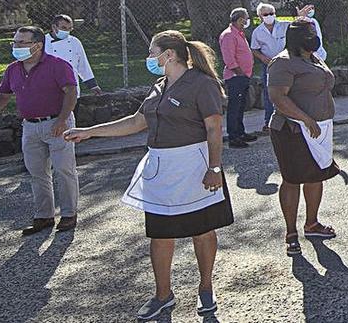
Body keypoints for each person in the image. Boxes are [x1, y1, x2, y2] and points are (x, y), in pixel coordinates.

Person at [63, 30, 231, 319]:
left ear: (169, 55)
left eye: (153, 52)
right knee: (160, 234)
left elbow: (214, 128)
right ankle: (163, 295)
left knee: (202, 231)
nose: (150, 58)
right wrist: (88, 133)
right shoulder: (159, 85)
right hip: (161, 168)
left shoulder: (201, 84)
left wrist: (214, 167)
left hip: (195, 167)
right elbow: (137, 122)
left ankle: (205, 287)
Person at [0, 26, 79, 235]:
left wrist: (62, 121)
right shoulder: (13, 69)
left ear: (38, 45)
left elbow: (71, 93)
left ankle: (69, 214)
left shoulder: (58, 66)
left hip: (57, 124)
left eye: (21, 42)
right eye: (14, 42)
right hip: (30, 127)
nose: (16, 46)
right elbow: (3, 95)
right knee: (37, 173)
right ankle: (44, 216)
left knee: (63, 170)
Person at [266, 19, 339, 256]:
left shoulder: (313, 58)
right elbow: (278, 97)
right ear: (296, 39)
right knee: (293, 178)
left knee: (316, 174)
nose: (313, 39)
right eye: (308, 35)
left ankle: (312, 223)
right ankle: (290, 233)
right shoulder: (283, 63)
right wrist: (306, 119)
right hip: (293, 130)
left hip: (320, 129)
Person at [251, 4, 317, 130]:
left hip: (288, 63)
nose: (269, 16)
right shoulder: (257, 32)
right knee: (270, 93)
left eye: (272, 13)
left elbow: (297, 27)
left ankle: (292, 118)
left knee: (291, 91)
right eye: (266, 14)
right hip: (269, 65)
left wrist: (300, 17)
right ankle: (269, 121)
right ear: (260, 16)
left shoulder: (284, 25)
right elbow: (254, 49)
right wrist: (263, 58)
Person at [218, 8, 255, 148]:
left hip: (243, 76)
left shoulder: (239, 33)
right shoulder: (228, 35)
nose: (246, 21)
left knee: (240, 107)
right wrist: (240, 73)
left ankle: (240, 132)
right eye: (245, 18)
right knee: (234, 108)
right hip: (236, 77)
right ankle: (233, 137)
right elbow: (229, 59)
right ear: (240, 19)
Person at [45, 14, 100, 95]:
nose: (66, 31)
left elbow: (83, 64)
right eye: (63, 28)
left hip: (71, 86)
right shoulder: (42, 42)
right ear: (54, 27)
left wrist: (92, 85)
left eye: (69, 29)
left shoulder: (75, 42)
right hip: (49, 87)